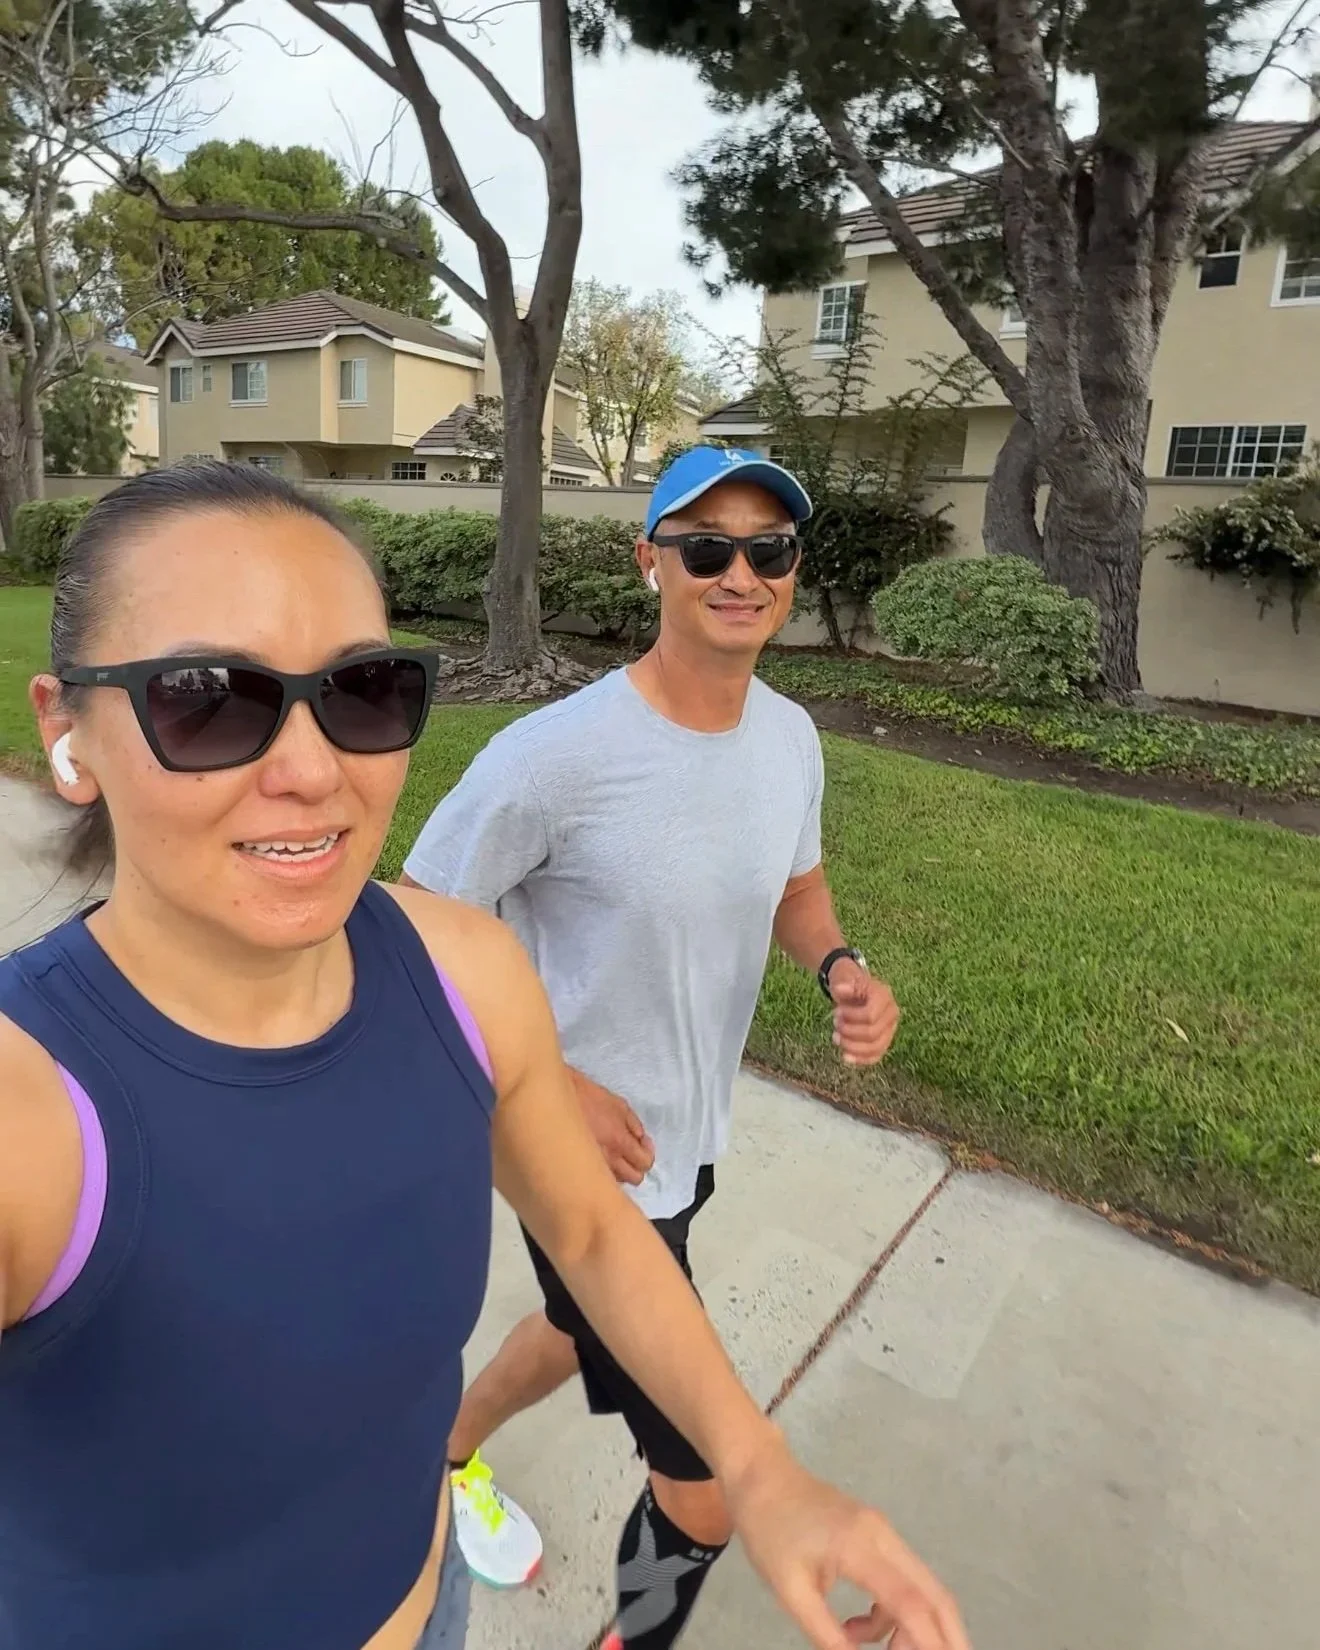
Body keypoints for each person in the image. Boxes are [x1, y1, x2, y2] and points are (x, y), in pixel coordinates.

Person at [0, 463, 968, 1650]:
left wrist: (763, 1471)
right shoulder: (28, 1108)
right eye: (209, 697)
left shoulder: (464, 976)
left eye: (362, 691)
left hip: (432, 1607)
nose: (312, 768)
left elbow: (596, 1233)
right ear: (67, 728)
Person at [401, 445, 902, 1648]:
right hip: (581, 1163)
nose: (741, 573)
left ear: (791, 571)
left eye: (768, 549)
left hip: (687, 1131)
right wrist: (549, 1084)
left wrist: (840, 969)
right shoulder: (552, 757)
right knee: (706, 1498)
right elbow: (412, 929)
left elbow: (799, 890)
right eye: (706, 547)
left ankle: (447, 1449)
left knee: (581, 1329)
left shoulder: (788, 737)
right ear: (652, 563)